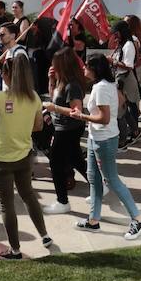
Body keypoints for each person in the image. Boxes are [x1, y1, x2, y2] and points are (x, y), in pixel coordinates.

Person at [62, 55, 141, 237]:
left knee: (111, 180)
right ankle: (93, 220)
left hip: (104, 139)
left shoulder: (101, 87)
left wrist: (82, 116)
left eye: (86, 66)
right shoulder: (108, 85)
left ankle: (138, 218)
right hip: (99, 137)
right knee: (93, 178)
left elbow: (104, 118)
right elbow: (119, 102)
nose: (83, 68)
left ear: (95, 69)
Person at [0, 53, 52, 259]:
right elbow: (39, 125)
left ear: (6, 75)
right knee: (28, 195)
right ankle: (45, 235)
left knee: (7, 205)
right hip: (25, 155)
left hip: (1, 159)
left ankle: (15, 249)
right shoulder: (34, 97)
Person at [41, 47, 88, 213]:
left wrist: (54, 108)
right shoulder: (62, 81)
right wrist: (51, 80)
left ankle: (62, 202)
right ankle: (99, 184)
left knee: (56, 162)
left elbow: (77, 112)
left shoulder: (73, 85)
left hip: (69, 128)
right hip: (62, 127)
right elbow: (53, 95)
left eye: (56, 64)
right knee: (76, 159)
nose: (52, 66)